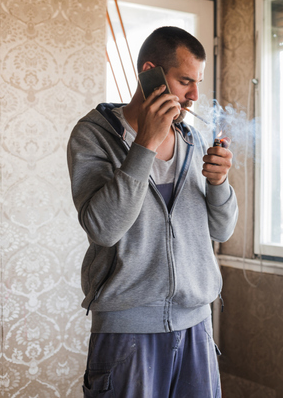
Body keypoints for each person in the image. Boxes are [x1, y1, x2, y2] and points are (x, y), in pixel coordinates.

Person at [67, 26, 238, 397]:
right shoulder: (93, 137)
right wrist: (145, 142)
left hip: (197, 325)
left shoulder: (193, 140)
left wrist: (219, 183)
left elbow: (222, 231)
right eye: (184, 81)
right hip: (127, 331)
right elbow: (103, 228)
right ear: (150, 73)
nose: (194, 95)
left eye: (198, 83)